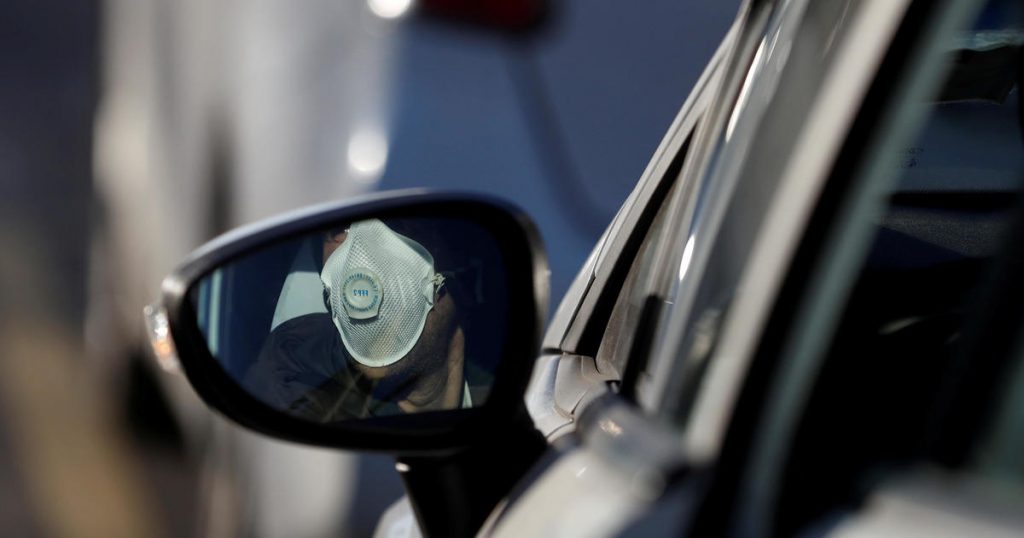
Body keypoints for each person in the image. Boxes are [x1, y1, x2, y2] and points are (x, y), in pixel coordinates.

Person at [242, 218, 471, 422]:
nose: (361, 252)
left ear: (455, 273)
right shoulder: (290, 374)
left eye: (398, 221)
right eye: (339, 228)